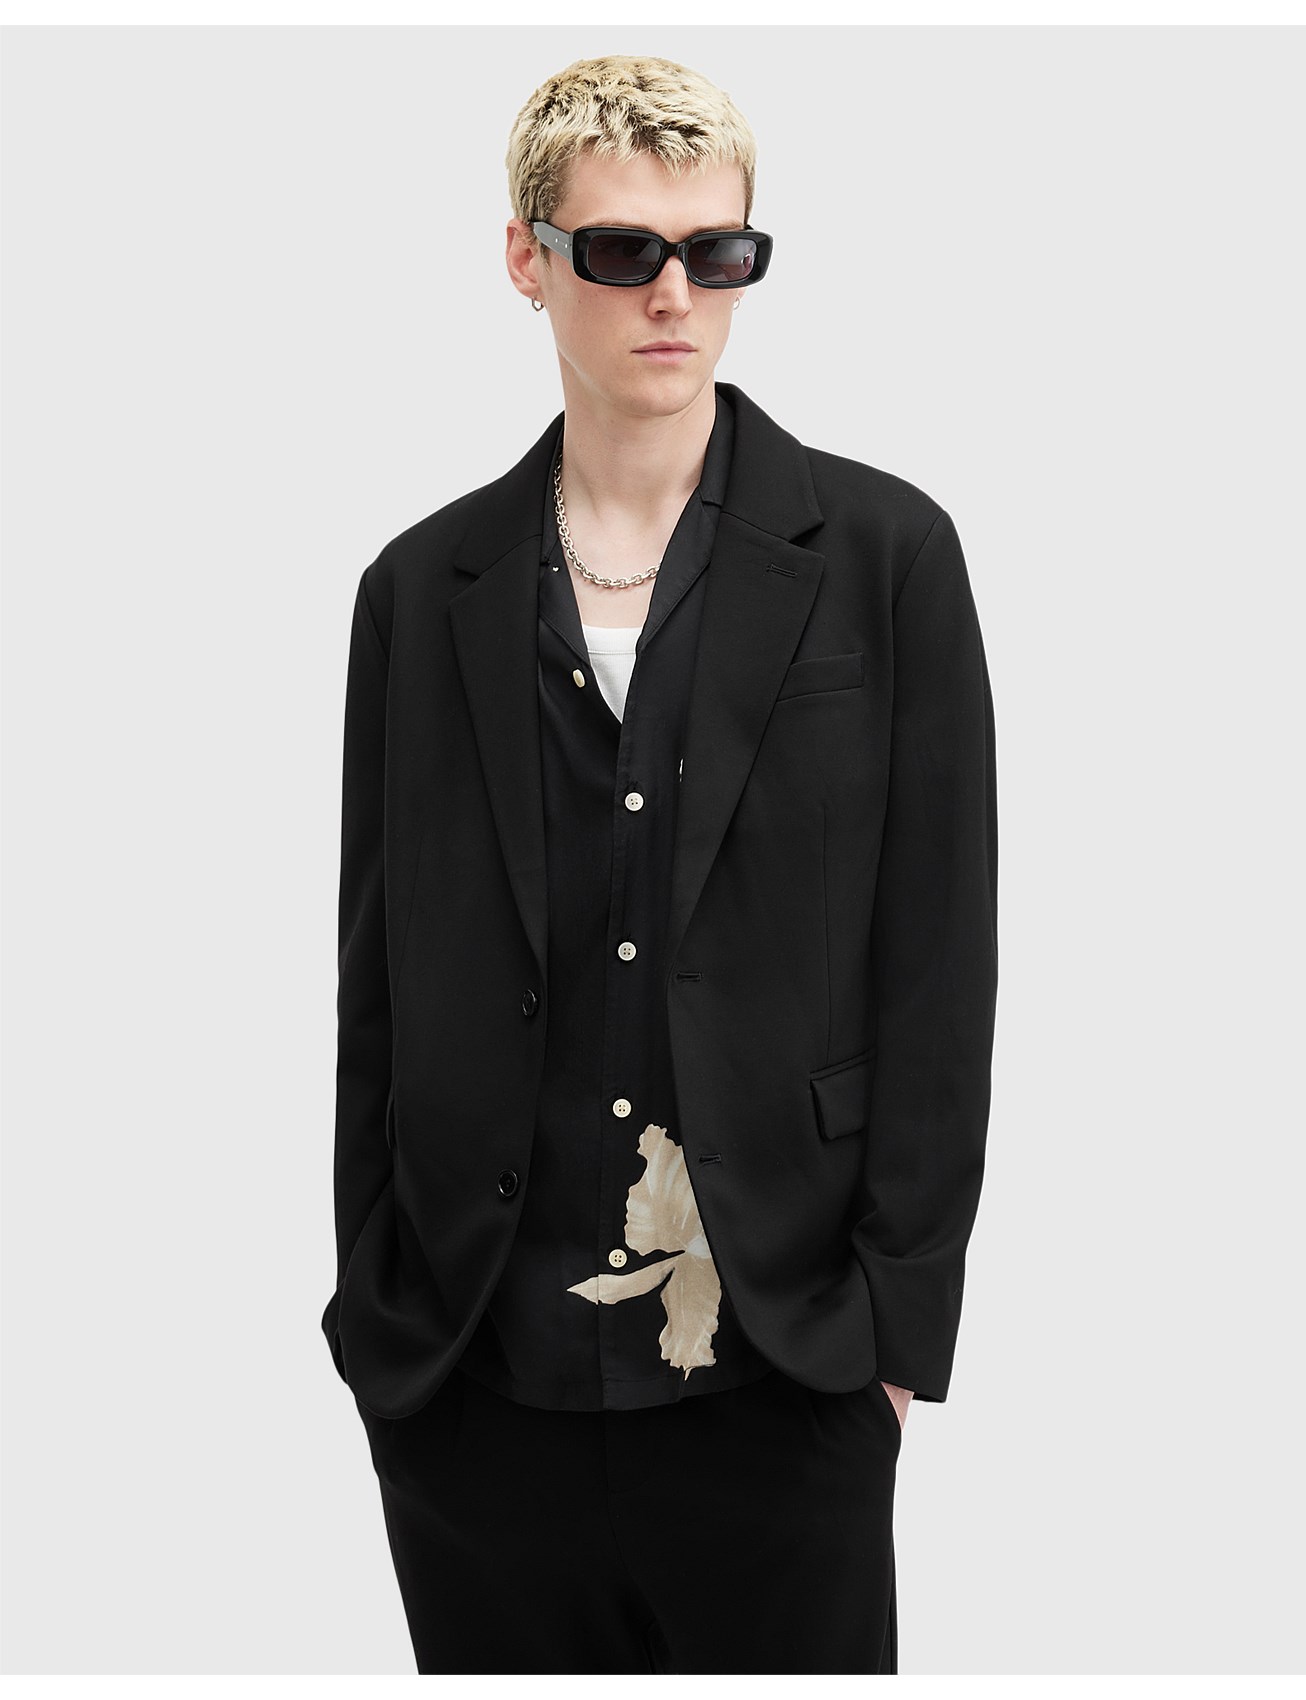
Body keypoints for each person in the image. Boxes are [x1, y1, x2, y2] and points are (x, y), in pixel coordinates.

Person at [320, 53, 998, 1676]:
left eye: (718, 252)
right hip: (478, 1382)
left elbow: (938, 965)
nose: (675, 295)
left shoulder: (886, 560)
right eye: (624, 250)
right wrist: (380, 1320)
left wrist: (893, 1339)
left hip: (782, 1362)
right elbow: (376, 980)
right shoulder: (421, 591)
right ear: (528, 257)